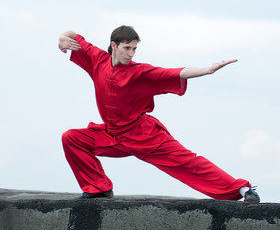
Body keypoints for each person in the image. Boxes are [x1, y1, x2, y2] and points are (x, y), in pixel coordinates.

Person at [58, 25, 260, 203]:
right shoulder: (97, 60)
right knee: (71, 138)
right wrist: (63, 38)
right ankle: (99, 189)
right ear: (113, 45)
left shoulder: (140, 73)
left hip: (144, 136)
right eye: (127, 48)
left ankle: (242, 188)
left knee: (188, 162)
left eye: (134, 49)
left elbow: (174, 73)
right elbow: (74, 35)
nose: (131, 53)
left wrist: (207, 70)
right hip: (112, 136)